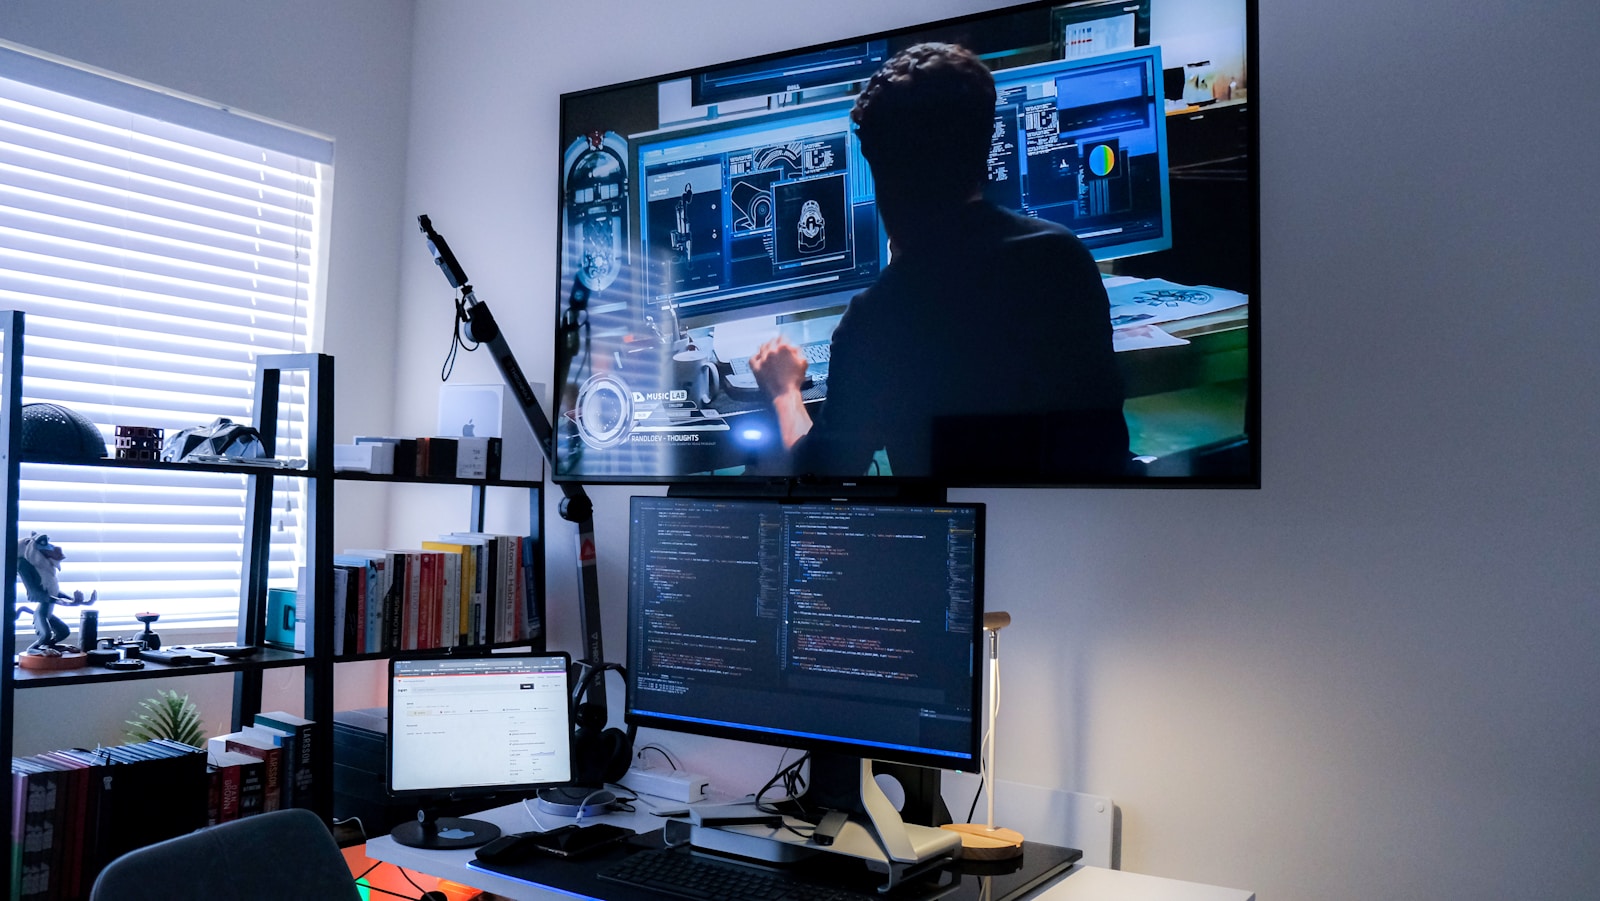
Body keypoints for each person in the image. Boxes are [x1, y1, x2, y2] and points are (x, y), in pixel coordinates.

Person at [749, 42, 1129, 481]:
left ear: (879, 171)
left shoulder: (880, 316)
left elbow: (820, 478)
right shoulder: (1065, 258)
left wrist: (783, 390)